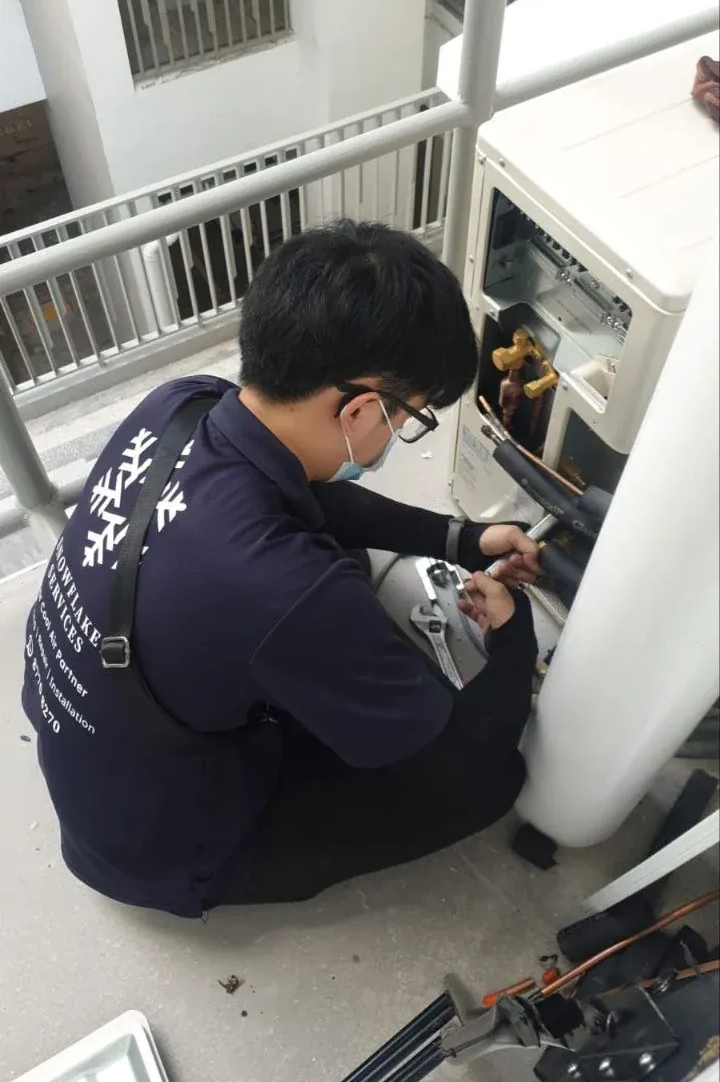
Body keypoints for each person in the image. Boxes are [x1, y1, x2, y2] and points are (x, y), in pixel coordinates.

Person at [22, 219, 540, 918]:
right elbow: (449, 749)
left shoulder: (181, 404)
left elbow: (309, 496)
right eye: (409, 417)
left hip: (99, 751)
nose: (400, 434)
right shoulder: (286, 588)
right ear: (360, 408)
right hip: (162, 851)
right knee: (493, 779)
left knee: (326, 563)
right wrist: (515, 641)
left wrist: (461, 539)